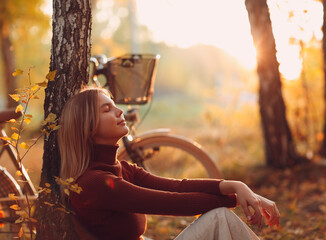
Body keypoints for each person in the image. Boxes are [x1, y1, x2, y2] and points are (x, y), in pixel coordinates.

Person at [58, 86, 280, 240]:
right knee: (219, 217)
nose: (119, 111)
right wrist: (237, 200)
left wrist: (237, 186)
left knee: (220, 219)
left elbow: (177, 186)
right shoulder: (96, 183)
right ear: (88, 127)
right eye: (107, 109)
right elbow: (173, 202)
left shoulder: (122, 169)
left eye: (114, 105)